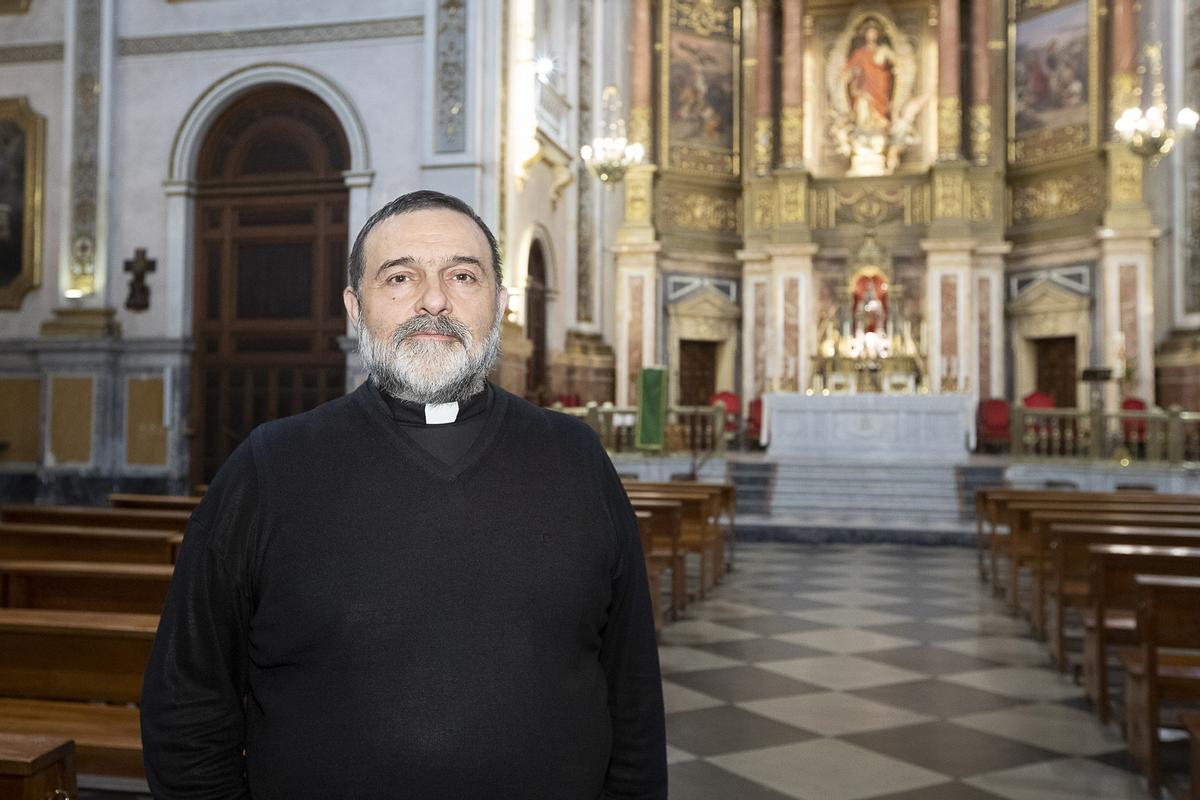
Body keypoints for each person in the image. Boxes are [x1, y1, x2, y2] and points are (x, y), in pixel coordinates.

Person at [141, 190, 668, 799]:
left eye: (463, 276)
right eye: (400, 277)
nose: (434, 300)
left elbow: (632, 699)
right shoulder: (269, 468)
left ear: (499, 305)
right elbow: (187, 701)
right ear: (355, 308)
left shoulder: (575, 460)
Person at [842, 20, 896, 132]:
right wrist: (851, 73)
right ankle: (864, 129)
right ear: (865, 34)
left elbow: (896, 64)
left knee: (880, 111)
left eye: (874, 32)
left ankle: (880, 124)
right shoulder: (859, 53)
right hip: (864, 86)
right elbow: (849, 70)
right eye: (869, 32)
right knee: (863, 104)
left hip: (880, 84)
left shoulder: (883, 50)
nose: (872, 35)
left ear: (878, 34)